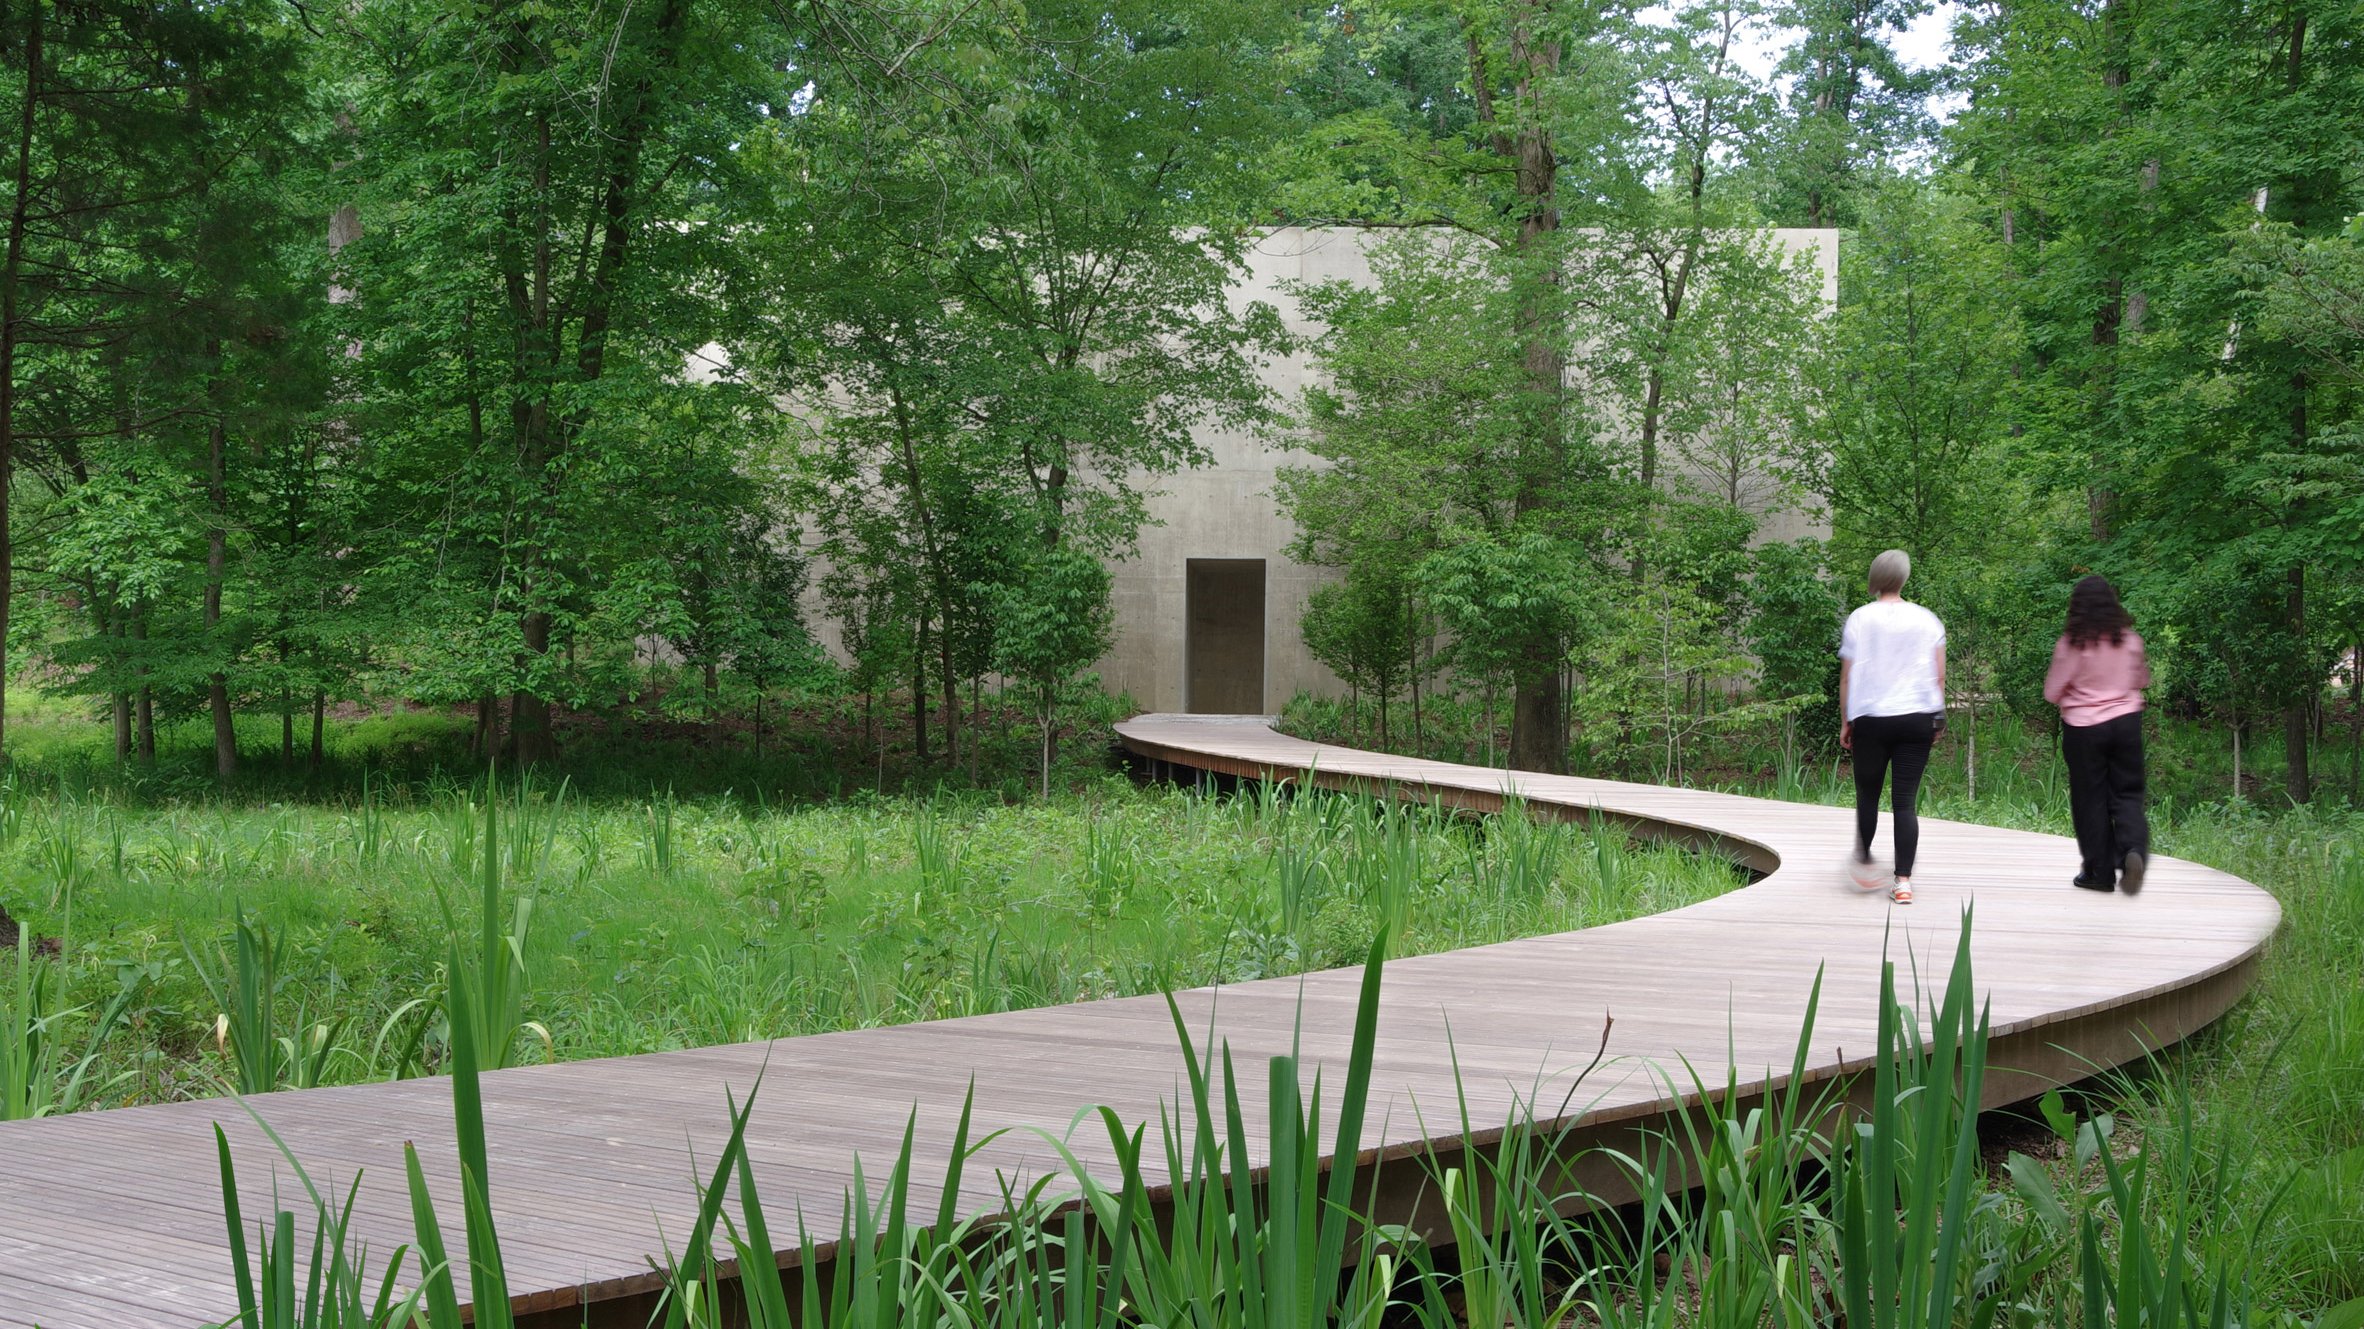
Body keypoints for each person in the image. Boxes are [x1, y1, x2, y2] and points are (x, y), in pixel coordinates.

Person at [1838, 549, 1946, 905]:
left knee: (1868, 794)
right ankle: (1902, 882)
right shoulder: (1927, 619)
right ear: (1904, 578)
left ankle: (1865, 860)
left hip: (1870, 717)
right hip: (1916, 717)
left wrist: (1846, 720)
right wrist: (1938, 716)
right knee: (1905, 801)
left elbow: (1848, 676)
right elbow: (1938, 675)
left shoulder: (1859, 618)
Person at [2043, 575, 2151, 895]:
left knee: (2091, 799)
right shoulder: (2130, 640)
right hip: (2127, 722)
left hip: (2084, 727)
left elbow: (2052, 691)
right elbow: (2142, 679)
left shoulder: (2072, 643)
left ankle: (2098, 873)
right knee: (2128, 793)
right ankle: (2132, 850)